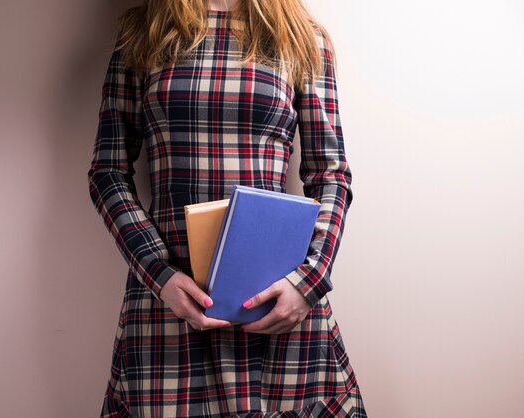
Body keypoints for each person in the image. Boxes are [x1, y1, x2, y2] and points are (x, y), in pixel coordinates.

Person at [87, 0, 367, 416]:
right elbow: (108, 171)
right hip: (172, 301)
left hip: (277, 298)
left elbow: (330, 173)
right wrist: (159, 274)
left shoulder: (302, 37)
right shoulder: (142, 32)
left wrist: (308, 282)